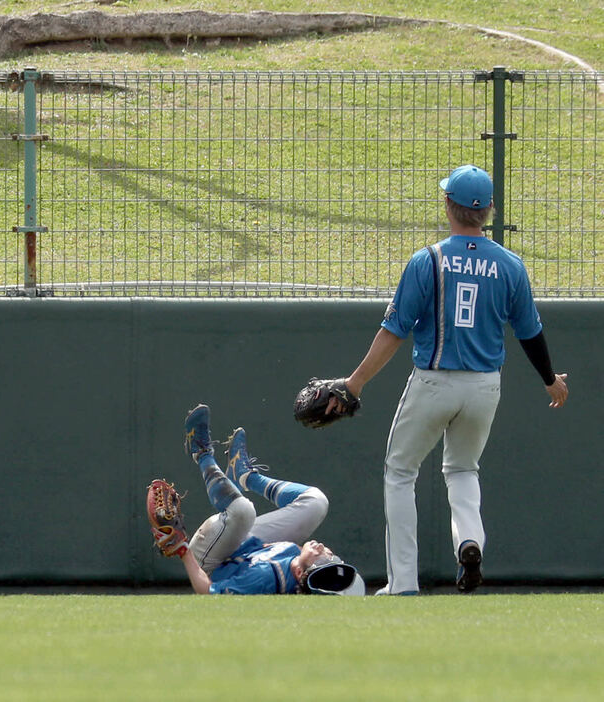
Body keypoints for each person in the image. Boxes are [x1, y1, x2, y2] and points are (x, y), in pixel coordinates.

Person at [327, 164, 569, 595]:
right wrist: (550, 380)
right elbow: (530, 331)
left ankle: (402, 583)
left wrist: (356, 382)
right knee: (462, 469)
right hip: (485, 386)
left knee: (400, 471)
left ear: (447, 205)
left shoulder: (429, 260)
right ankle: (470, 540)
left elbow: (395, 330)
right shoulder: (511, 265)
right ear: (490, 210)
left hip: (434, 381)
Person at [150, 403, 365, 596]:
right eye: (331, 556)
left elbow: (207, 592)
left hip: (208, 564)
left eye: (321, 559)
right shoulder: (294, 557)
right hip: (245, 552)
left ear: (300, 572)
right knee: (316, 503)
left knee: (243, 511)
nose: (323, 550)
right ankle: (246, 476)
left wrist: (182, 549)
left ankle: (201, 452)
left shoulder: (265, 579)